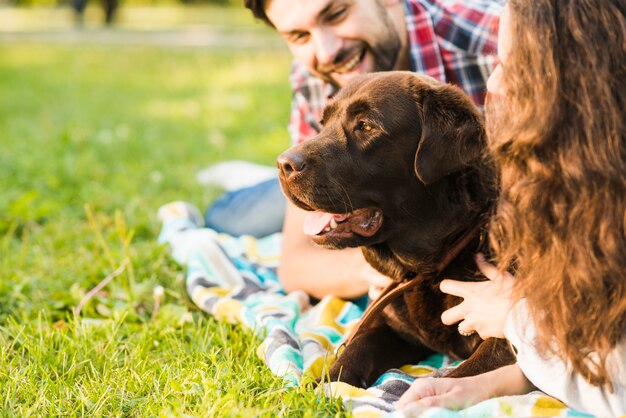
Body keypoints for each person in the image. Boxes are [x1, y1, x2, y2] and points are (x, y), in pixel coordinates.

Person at [397, 1, 626, 415]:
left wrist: (518, 319)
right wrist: (496, 381)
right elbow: (600, 345)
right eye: (496, 61)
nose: (494, 85)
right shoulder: (584, 191)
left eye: (516, 67)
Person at [205, 0, 505, 299]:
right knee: (226, 218)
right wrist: (385, 268)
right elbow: (295, 266)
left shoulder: (499, 45)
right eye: (300, 36)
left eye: (336, 14)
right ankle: (251, 180)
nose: (326, 50)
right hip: (348, 181)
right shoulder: (319, 71)